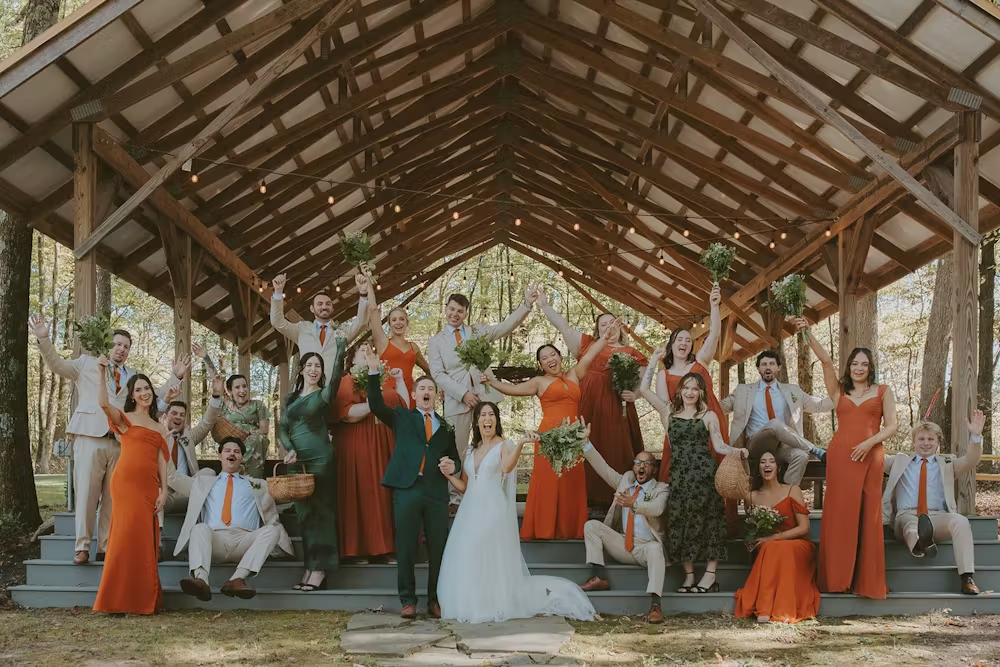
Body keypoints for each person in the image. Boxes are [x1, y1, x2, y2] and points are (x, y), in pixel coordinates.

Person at [28, 314, 184, 564]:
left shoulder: (133, 376)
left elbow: (151, 396)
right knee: (87, 494)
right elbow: (57, 364)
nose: (121, 349)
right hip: (90, 436)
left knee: (114, 497)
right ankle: (82, 546)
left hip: (122, 442)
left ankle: (105, 546)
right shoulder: (86, 363)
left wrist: (176, 377)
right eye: (118, 344)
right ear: (108, 344)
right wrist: (44, 339)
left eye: (126, 346)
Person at [437, 403, 595, 623]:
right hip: (470, 510)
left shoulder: (503, 445)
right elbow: (465, 486)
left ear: (496, 420)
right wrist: (448, 476)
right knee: (469, 553)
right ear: (477, 421)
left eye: (491, 414)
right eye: (483, 415)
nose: (487, 418)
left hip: (493, 508)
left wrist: (520, 443)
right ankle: (477, 601)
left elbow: (507, 467)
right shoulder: (469, 450)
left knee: (486, 551)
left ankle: (495, 600)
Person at [483, 321, 618, 540]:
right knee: (549, 481)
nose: (550, 359)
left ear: (560, 356)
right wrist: (491, 381)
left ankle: (571, 529)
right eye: (544, 358)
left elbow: (589, 356)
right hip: (548, 437)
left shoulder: (575, 374)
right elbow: (512, 389)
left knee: (570, 482)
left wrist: (605, 337)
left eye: (552, 354)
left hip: (573, 437)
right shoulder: (538, 382)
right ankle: (544, 530)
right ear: (540, 364)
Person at [797, 317, 897, 599]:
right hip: (841, 457)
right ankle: (837, 579)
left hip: (870, 456)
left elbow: (891, 425)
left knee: (867, 515)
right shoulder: (838, 391)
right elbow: (827, 362)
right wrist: (807, 333)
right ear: (849, 367)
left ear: (871, 368)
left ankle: (866, 581)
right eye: (855, 364)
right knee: (840, 516)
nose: (859, 368)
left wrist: (869, 442)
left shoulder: (883, 391)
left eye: (864, 364)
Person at [365, 344, 461, 620]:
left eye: (431, 389)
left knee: (438, 548)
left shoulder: (446, 427)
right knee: (406, 546)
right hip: (407, 489)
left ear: (436, 395)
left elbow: (456, 458)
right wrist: (373, 371)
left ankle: (435, 599)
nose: (426, 392)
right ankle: (408, 600)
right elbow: (375, 404)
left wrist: (453, 465)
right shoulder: (402, 418)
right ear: (415, 394)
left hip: (435, 493)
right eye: (422, 388)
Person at [641, 370, 748, 593]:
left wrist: (737, 450)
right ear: (680, 391)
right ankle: (689, 576)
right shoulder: (668, 411)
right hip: (680, 477)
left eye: (695, 389)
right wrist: (654, 359)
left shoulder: (708, 415)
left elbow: (719, 446)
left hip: (705, 477)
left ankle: (710, 576)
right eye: (686, 388)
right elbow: (643, 390)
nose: (690, 392)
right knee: (681, 524)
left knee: (711, 523)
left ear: (701, 393)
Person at [537, 292, 649, 505]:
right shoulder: (588, 344)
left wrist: (634, 395)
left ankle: (614, 498)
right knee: (584, 443)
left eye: (612, 322)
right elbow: (564, 326)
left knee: (614, 446)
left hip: (615, 407)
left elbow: (642, 385)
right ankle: (579, 496)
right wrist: (544, 306)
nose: (609, 326)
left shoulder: (633, 352)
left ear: (620, 326)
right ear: (597, 330)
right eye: (603, 324)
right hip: (587, 404)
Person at [427, 288, 536, 498]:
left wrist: (526, 305)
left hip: (485, 396)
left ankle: (493, 491)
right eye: (451, 309)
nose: (455, 314)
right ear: (445, 310)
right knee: (457, 449)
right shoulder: (436, 341)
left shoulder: (477, 331)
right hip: (456, 402)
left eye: (460, 310)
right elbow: (438, 374)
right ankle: (455, 497)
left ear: (465, 313)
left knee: (491, 445)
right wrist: (463, 394)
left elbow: (504, 327)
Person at [173, 436, 295, 601]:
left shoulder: (258, 484)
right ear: (220, 455)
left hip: (245, 541)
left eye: (237, 451)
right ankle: (201, 580)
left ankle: (237, 579)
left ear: (242, 458)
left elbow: (287, 492)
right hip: (215, 541)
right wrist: (162, 440)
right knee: (199, 528)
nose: (232, 454)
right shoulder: (202, 483)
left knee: (272, 531)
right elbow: (171, 477)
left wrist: (292, 465)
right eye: (228, 451)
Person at [93, 356, 169, 615]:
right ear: (132, 396)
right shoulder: (125, 419)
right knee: (123, 538)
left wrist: (165, 490)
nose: (144, 392)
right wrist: (102, 372)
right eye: (138, 390)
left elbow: (161, 460)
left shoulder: (160, 426)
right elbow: (103, 403)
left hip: (149, 488)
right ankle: (116, 600)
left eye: (147, 388)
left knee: (143, 541)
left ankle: (141, 599)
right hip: (125, 484)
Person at [882, 414, 985, 595]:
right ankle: (921, 542)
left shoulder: (947, 464)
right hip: (906, 515)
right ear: (913, 442)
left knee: (960, 521)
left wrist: (976, 437)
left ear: (938, 443)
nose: (926, 443)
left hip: (936, 516)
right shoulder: (898, 462)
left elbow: (971, 460)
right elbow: (875, 458)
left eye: (931, 439)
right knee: (911, 526)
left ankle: (966, 577)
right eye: (921, 439)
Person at [333, 346, 410, 563]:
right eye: (363, 351)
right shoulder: (347, 381)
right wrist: (375, 402)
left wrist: (400, 381)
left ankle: (385, 548)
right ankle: (357, 550)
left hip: (384, 444)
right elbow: (347, 414)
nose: (368, 353)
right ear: (352, 358)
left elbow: (402, 407)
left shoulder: (382, 381)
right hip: (358, 445)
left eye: (371, 351)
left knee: (383, 495)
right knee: (362, 493)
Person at [278, 349, 345, 592]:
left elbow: (337, 377)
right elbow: (283, 428)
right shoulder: (290, 399)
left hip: (321, 460)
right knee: (305, 517)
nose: (314, 369)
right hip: (298, 461)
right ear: (302, 369)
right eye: (310, 365)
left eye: (318, 366)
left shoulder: (324, 396)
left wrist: (340, 349)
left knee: (322, 515)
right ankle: (310, 565)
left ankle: (320, 570)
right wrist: (289, 449)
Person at [579, 444, 668, 623]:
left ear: (654, 468)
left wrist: (633, 504)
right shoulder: (626, 482)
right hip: (623, 545)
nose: (641, 467)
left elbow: (657, 508)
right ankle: (600, 577)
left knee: (656, 548)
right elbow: (604, 469)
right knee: (592, 526)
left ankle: (655, 605)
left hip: (646, 548)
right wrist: (585, 444)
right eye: (637, 462)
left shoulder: (661, 488)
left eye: (646, 463)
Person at [719, 350, 831, 485]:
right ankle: (816, 450)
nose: (768, 367)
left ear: (779, 367)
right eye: (764, 364)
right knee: (775, 424)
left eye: (772, 364)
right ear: (758, 368)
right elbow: (719, 408)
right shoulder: (743, 391)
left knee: (801, 456)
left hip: (783, 447)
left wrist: (844, 393)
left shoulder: (792, 391)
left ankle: (785, 497)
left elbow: (819, 406)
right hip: (755, 444)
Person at [734, 448, 819, 624]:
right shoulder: (752, 496)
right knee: (771, 548)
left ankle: (781, 608)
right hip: (769, 548)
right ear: (757, 468)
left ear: (778, 468)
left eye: (771, 461)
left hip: (797, 544)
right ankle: (764, 608)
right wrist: (752, 540)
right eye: (763, 462)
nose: (767, 465)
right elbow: (751, 528)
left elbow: (804, 528)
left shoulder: (792, 490)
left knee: (776, 547)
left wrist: (773, 538)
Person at [653, 284, 727, 482]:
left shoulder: (700, 362)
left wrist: (714, 306)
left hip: (711, 421)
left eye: (688, 340)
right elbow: (664, 409)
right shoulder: (664, 375)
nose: (684, 343)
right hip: (684, 428)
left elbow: (715, 335)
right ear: (672, 344)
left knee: (714, 472)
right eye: (679, 339)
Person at [270, 271, 368, 383]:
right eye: (320, 304)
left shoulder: (341, 331)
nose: (324, 307)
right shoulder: (301, 329)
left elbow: (362, 323)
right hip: (308, 390)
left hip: (333, 391)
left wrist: (363, 294)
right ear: (312, 308)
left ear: (332, 308)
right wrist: (278, 292)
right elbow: (278, 322)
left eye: (328, 304)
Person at [162, 375, 224, 513]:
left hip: (188, 491)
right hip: (165, 493)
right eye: (174, 413)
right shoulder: (156, 436)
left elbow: (207, 423)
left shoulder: (188, 437)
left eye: (182, 415)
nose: (178, 417)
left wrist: (215, 396)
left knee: (209, 472)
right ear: (165, 416)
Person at [363, 276, 430, 397]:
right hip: (389, 396)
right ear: (389, 324)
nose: (398, 322)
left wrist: (429, 390)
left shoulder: (413, 347)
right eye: (394, 320)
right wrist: (368, 282)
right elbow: (373, 309)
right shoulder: (383, 343)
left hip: (411, 396)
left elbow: (428, 370)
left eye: (401, 319)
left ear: (406, 322)